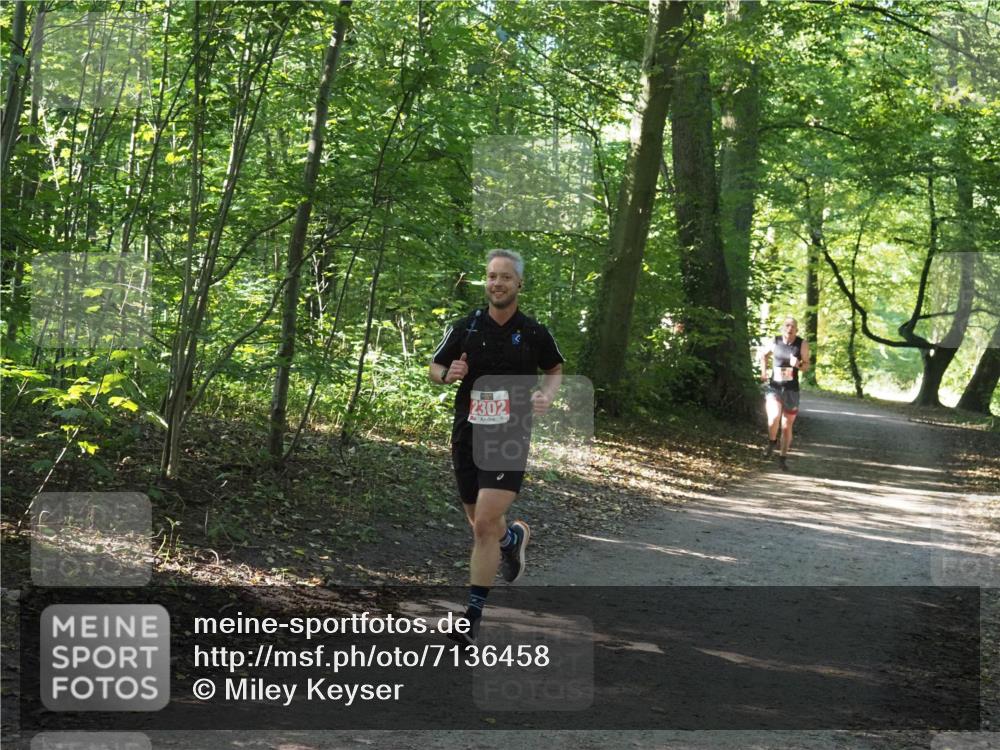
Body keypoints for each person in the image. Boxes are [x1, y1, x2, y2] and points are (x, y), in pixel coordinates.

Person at [429, 249, 563, 645]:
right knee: (479, 522)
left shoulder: (535, 332)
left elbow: (554, 369)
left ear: (519, 284)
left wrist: (548, 395)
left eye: (505, 277)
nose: (496, 283)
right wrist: (446, 374)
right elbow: (435, 366)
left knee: (484, 523)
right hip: (468, 433)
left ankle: (471, 617)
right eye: (491, 276)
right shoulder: (466, 327)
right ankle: (511, 541)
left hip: (510, 435)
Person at [759, 317, 810, 471]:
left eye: (793, 326)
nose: (790, 328)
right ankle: (772, 441)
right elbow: (764, 355)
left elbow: (806, 366)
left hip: (791, 390)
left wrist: (799, 364)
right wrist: (764, 372)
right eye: (787, 325)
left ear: (797, 330)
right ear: (783, 328)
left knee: (787, 427)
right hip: (774, 387)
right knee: (773, 417)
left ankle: (782, 458)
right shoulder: (775, 341)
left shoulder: (802, 344)